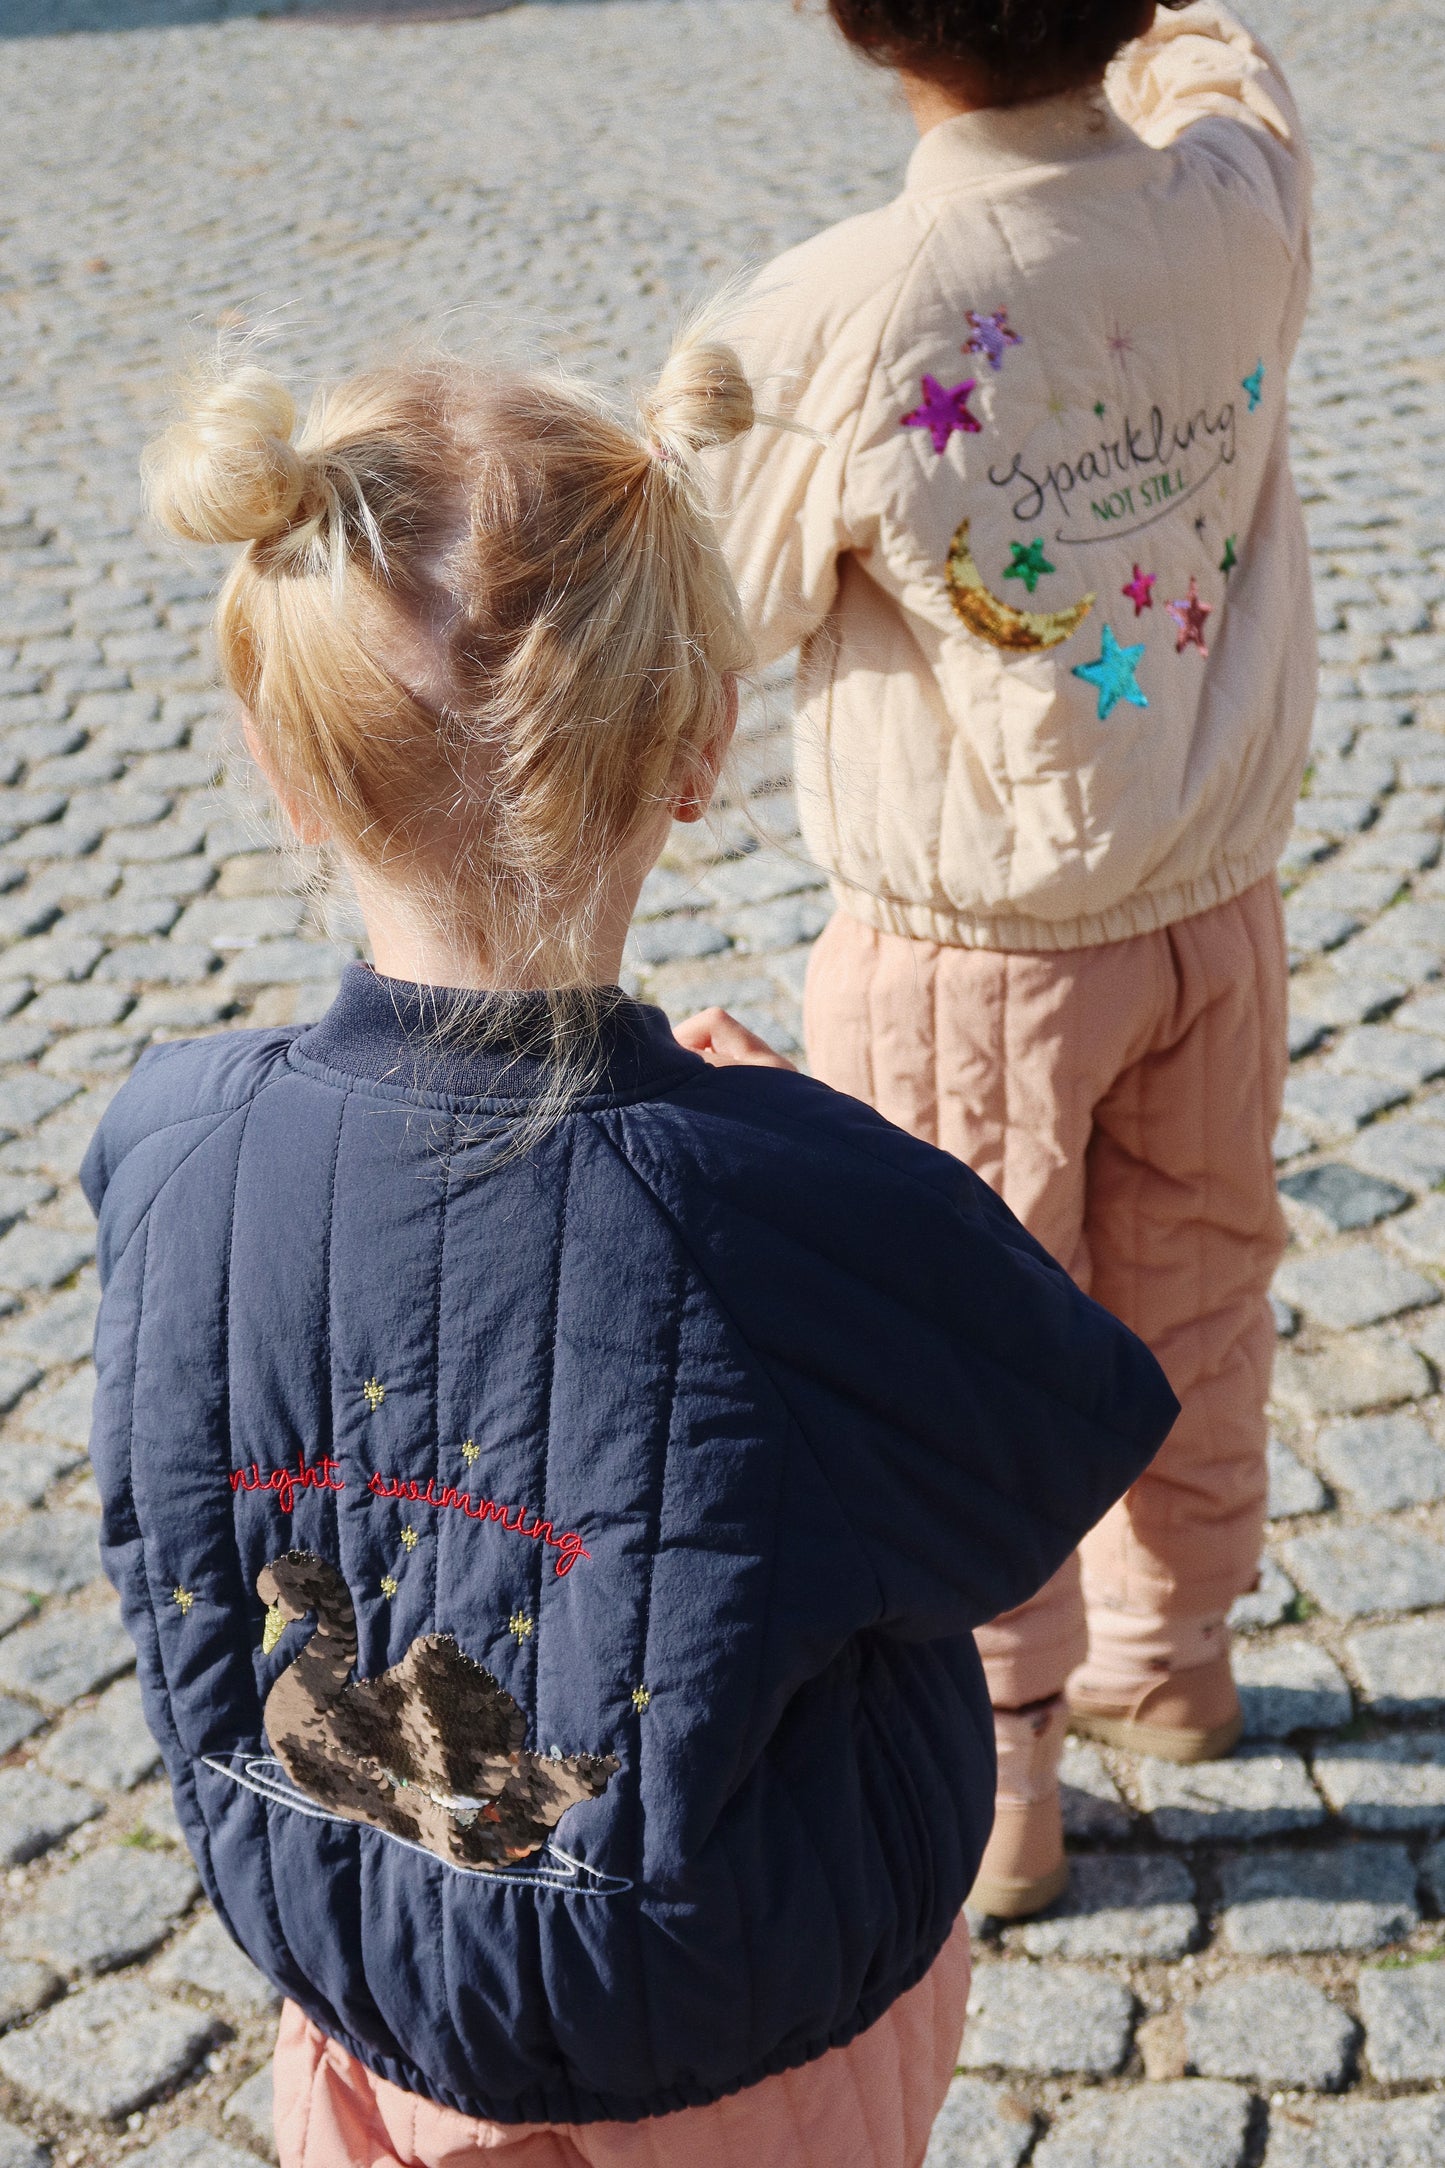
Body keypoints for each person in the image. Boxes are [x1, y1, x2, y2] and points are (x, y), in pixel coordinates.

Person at [82, 335, 1175, 2168]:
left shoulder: (169, 1146)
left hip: (368, 1993)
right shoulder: (798, 1204)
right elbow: (1041, 1456)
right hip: (747, 2031)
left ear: (287, 768)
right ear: (698, 749)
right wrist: (810, 1143)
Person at [709, 0, 1314, 1917]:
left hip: (966, 939)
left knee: (950, 1353)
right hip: (1210, 902)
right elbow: (1229, 74)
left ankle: (1005, 1785)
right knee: (1201, 1279)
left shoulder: (831, 314)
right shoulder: (1238, 198)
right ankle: (1175, 1661)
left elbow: (711, 599)